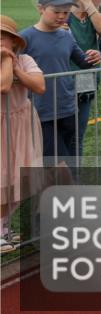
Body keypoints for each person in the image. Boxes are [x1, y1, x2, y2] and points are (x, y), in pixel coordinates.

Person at [18, 0, 101, 165]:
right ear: (41, 8)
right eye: (56, 11)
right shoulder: (26, 37)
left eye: (66, 12)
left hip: (68, 108)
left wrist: (95, 56)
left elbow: (83, 62)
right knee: (55, 162)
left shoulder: (66, 36)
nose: (62, 16)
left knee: (70, 156)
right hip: (41, 111)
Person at [1, 16, 45, 253]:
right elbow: (4, 86)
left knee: (19, 177)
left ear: (13, 40)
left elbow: (39, 86)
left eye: (2, 36)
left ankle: (3, 226)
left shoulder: (25, 59)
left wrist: (17, 66)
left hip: (21, 123)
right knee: (2, 177)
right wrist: (7, 61)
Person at [68, 0, 101, 157]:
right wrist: (84, 1)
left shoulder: (93, 16)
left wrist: (90, 5)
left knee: (78, 135)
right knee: (62, 134)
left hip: (87, 80)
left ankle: (73, 179)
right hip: (66, 79)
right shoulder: (64, 15)